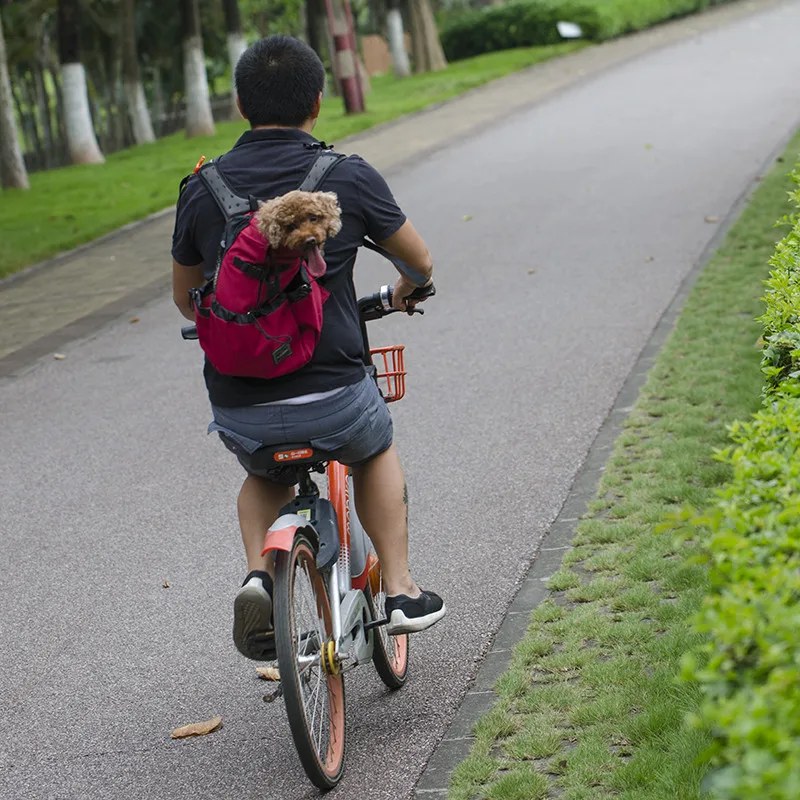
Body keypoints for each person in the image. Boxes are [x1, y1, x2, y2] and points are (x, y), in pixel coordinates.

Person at [171, 35, 445, 660]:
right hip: (335, 394)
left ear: (240, 104)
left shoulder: (201, 189)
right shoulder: (345, 175)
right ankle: (401, 590)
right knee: (373, 446)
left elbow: (187, 299)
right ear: (317, 103)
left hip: (242, 402)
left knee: (261, 474)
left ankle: (258, 578)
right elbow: (419, 259)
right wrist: (409, 287)